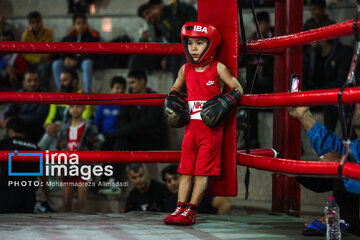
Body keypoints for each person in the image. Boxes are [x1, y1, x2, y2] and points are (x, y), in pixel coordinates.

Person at [163, 22, 244, 225]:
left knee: (201, 173)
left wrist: (225, 101)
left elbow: (237, 88)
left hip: (210, 131)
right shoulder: (185, 69)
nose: (194, 48)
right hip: (191, 130)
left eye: (199, 43)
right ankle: (179, 208)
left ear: (211, 45)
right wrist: (172, 99)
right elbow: (175, 90)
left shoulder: (218, 68)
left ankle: (191, 211)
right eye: (190, 43)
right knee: (185, 171)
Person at [288, 105, 360, 235]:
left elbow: (340, 161)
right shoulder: (357, 145)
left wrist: (345, 222)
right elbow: (334, 152)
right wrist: (305, 116)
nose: (357, 104)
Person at [104, 69, 166, 151]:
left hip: (151, 139)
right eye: (129, 83)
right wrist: (128, 129)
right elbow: (120, 119)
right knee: (120, 142)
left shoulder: (155, 98)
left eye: (132, 82)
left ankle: (106, 138)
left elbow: (147, 124)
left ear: (142, 81)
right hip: (133, 137)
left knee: (115, 139)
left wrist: (127, 129)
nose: (130, 86)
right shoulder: (130, 98)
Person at [57, 104, 102, 212]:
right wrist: (59, 167)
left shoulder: (90, 126)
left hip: (84, 165)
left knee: (83, 200)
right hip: (67, 166)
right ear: (69, 109)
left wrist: (92, 167)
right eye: (72, 106)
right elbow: (59, 149)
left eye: (78, 106)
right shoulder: (64, 127)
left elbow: (96, 147)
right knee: (66, 200)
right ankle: (65, 226)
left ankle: (86, 226)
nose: (75, 109)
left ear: (84, 108)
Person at [0, 117, 51, 213]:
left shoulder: (4, 143)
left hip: (7, 192)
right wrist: (46, 195)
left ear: (10, 131)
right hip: (29, 194)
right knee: (25, 226)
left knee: (7, 225)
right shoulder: (36, 148)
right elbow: (43, 175)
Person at [139, 0, 197, 79]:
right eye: (152, 10)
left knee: (183, 62)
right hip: (180, 47)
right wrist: (166, 57)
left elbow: (194, 16)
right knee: (174, 62)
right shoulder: (160, 23)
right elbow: (171, 41)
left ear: (161, 4)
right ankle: (178, 89)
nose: (153, 13)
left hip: (193, 41)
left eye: (154, 9)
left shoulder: (176, 8)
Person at [38, 69, 93, 150]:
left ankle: (35, 154)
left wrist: (62, 128)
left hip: (76, 136)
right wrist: (48, 127)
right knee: (54, 134)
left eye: (65, 80)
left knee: (58, 127)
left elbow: (83, 122)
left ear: (74, 82)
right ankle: (49, 160)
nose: (61, 84)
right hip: (56, 134)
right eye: (60, 81)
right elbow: (50, 118)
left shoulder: (85, 98)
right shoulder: (57, 96)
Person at [52, 13, 100, 93]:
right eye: (78, 23)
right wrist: (65, 58)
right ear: (74, 25)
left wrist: (77, 60)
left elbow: (92, 54)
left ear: (87, 24)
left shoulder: (92, 37)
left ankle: (87, 92)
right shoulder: (69, 37)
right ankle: (61, 91)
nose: (81, 26)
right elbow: (62, 50)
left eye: (83, 23)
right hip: (71, 63)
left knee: (87, 63)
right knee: (56, 64)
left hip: (83, 63)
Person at [94, 76, 126, 194]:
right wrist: (99, 135)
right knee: (103, 153)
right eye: (117, 88)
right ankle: (100, 182)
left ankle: (112, 182)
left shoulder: (125, 104)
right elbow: (97, 121)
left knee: (115, 151)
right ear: (111, 89)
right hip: (104, 136)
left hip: (118, 137)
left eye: (122, 88)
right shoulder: (104, 103)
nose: (120, 91)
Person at [0, 70, 49, 143]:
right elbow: (8, 111)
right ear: (24, 83)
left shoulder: (45, 96)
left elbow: (37, 118)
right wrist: (3, 118)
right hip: (17, 128)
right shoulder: (17, 95)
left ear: (38, 82)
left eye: (35, 80)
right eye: (29, 81)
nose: (33, 83)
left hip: (34, 131)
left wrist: (13, 119)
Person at [162, 164, 231, 214]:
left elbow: (225, 204)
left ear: (184, 178)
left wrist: (216, 226)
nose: (173, 183)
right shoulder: (169, 201)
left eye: (175, 178)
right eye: (168, 181)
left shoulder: (197, 190)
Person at [21, 11, 53, 90]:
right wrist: (37, 57)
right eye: (33, 22)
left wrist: (35, 57)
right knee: (21, 65)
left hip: (42, 62)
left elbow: (48, 52)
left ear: (41, 22)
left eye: (38, 22)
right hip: (30, 61)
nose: (36, 24)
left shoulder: (48, 33)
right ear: (30, 24)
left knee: (43, 66)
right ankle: (23, 91)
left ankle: (41, 90)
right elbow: (24, 53)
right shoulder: (26, 35)